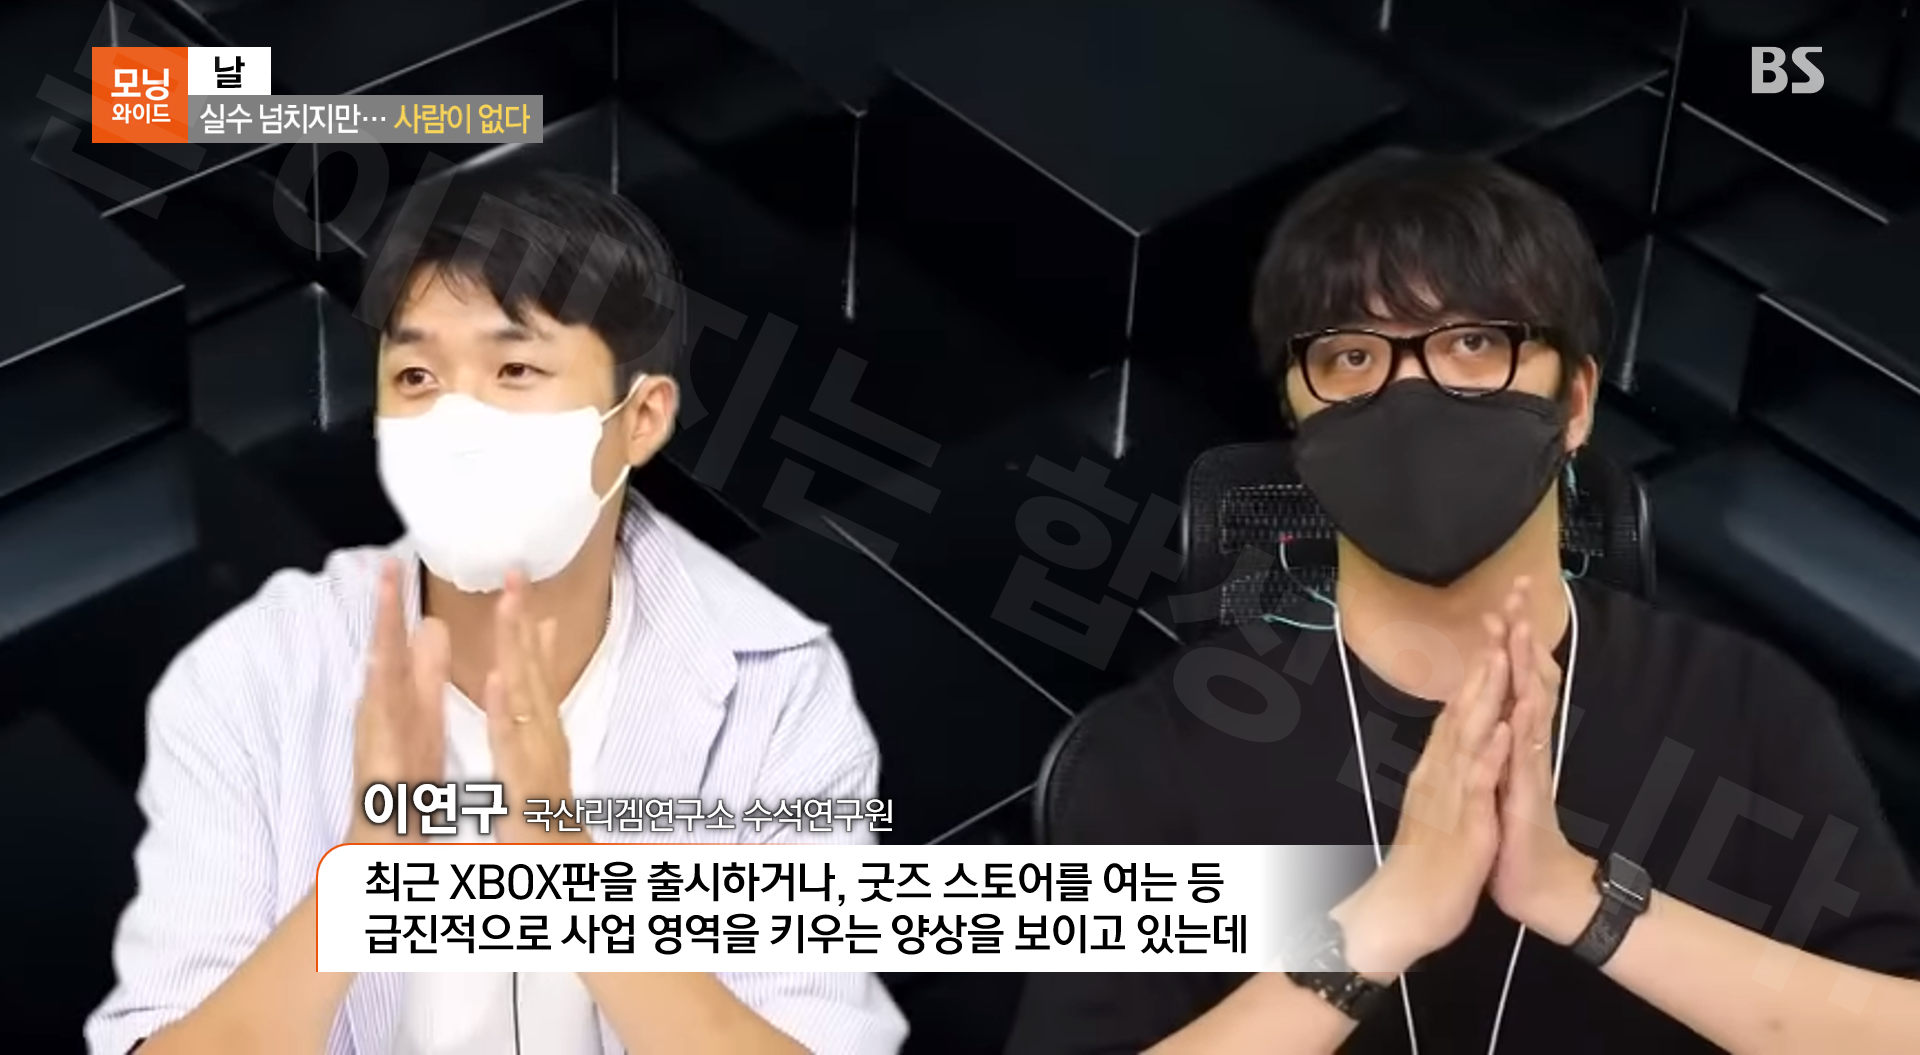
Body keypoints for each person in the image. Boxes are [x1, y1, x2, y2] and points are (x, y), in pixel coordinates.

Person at [1006, 149, 1920, 1053]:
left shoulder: (1744, 705)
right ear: (1297, 422)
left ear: (1576, 402)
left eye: (1474, 342)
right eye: (1352, 355)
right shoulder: (1153, 750)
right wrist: (1381, 926)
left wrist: (1581, 902)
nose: (1410, 395)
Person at [86, 171, 907, 1055]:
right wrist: (365, 875)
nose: (458, 423)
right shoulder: (254, 673)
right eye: (417, 375)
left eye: (515, 369)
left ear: (641, 419)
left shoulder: (779, 691)